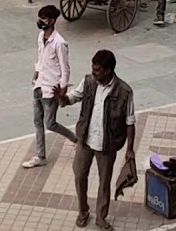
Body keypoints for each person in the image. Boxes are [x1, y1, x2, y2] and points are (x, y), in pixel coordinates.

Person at [57, 49, 136, 231]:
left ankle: (101, 217)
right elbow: (72, 98)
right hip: (85, 140)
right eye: (93, 69)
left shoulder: (125, 92)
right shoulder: (88, 82)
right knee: (79, 175)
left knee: (104, 182)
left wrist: (129, 149)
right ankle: (83, 211)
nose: (93, 73)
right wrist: (62, 98)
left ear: (108, 71)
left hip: (107, 145)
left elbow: (130, 122)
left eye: (97, 70)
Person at [22, 5, 76, 169]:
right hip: (39, 85)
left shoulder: (59, 43)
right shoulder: (40, 37)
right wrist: (36, 73)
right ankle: (40, 156)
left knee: (50, 123)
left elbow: (65, 68)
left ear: (52, 21)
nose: (41, 21)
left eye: (44, 19)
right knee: (37, 122)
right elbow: (40, 57)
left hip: (51, 89)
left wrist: (63, 90)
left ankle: (74, 139)